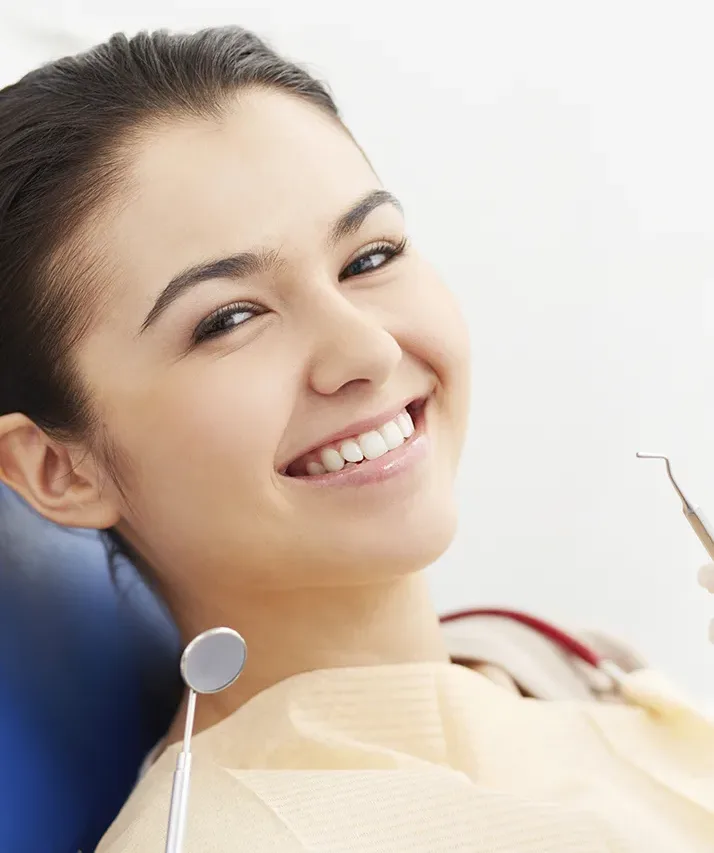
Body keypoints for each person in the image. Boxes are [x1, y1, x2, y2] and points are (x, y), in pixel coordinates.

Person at [0, 26, 712, 853]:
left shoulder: (560, 664)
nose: (368, 349)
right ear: (59, 468)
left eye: (370, 256)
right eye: (230, 317)